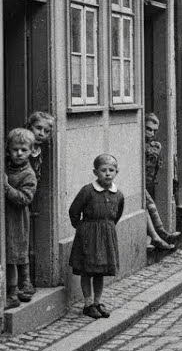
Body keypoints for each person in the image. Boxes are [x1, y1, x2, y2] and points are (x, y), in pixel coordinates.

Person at [69, 153, 125, 319]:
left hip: (106, 236)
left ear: (116, 172)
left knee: (100, 272)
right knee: (87, 270)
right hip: (88, 236)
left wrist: (107, 228)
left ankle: (97, 301)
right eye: (103, 170)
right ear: (95, 172)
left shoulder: (118, 194)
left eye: (111, 170)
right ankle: (87, 304)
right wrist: (81, 228)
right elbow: (74, 211)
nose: (107, 173)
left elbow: (117, 214)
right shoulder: (88, 191)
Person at [22, 111, 56, 301]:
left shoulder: (39, 150)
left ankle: (27, 280)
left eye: (46, 130)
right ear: (29, 127)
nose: (42, 133)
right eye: (38, 128)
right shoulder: (22, 147)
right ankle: (24, 281)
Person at [3, 128, 38, 310]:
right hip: (6, 217)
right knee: (11, 251)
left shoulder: (28, 174)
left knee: (15, 252)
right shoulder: (6, 166)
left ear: (31, 151)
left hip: (18, 219)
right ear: (8, 149)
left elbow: (25, 198)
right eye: (15, 149)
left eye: (23, 150)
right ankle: (22, 287)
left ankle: (14, 292)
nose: (18, 153)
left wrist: (7, 187)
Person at [144, 113, 180, 251]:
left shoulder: (155, 146)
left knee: (150, 205)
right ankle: (160, 235)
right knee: (150, 205)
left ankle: (158, 236)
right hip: (139, 184)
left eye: (154, 130)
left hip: (148, 183)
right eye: (148, 128)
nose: (151, 133)